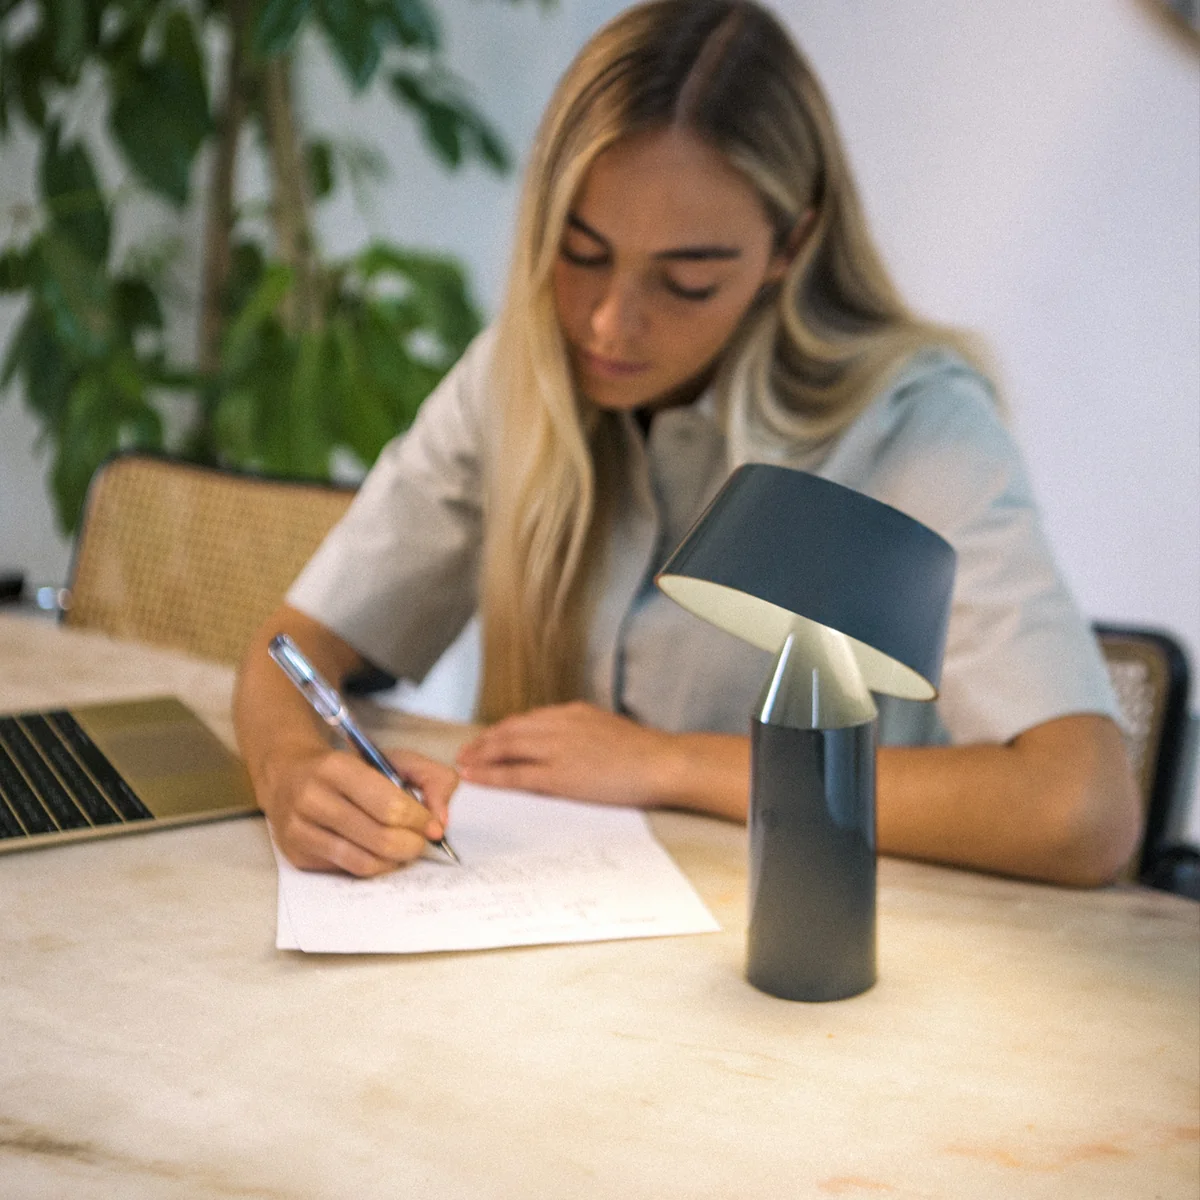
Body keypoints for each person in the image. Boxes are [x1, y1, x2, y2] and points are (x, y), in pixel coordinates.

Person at [233, 0, 1140, 886]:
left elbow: (1080, 807)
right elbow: (294, 653)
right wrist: (292, 773)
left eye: (687, 281)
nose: (610, 323)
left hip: (817, 942)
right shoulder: (514, 376)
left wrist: (667, 763)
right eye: (581, 252)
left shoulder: (913, 426)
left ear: (791, 245)